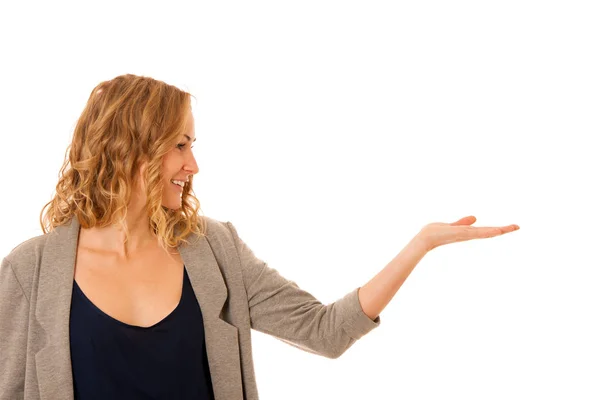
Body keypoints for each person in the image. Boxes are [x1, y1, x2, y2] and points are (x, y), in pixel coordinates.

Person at [0, 74, 520, 400]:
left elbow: (325, 331)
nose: (193, 164)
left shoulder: (215, 250)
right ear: (131, 147)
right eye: (180, 145)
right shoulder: (32, 270)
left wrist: (420, 245)